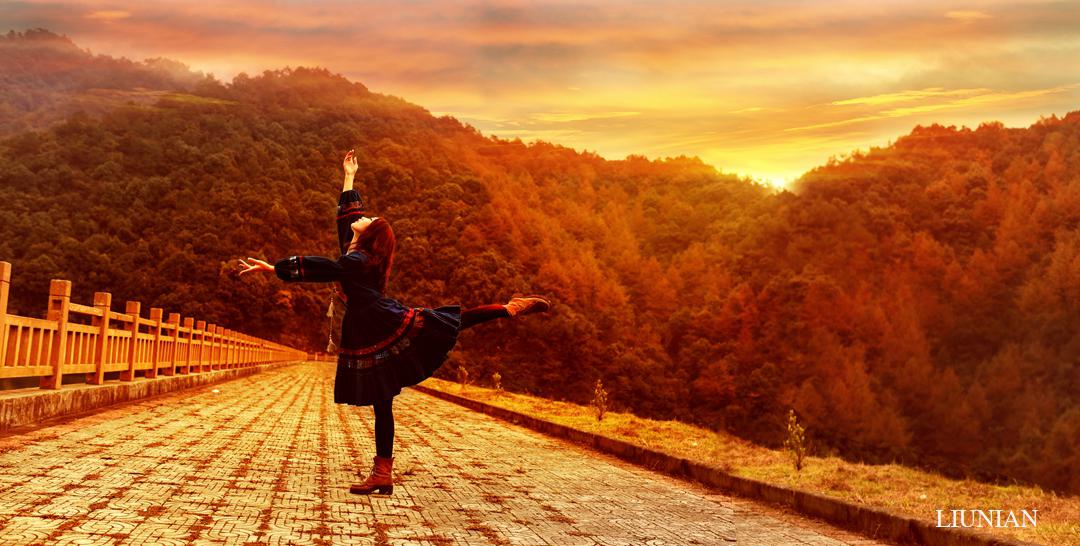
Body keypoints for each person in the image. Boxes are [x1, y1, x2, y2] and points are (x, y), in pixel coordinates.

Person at [238, 150, 551, 495]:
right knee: (384, 397)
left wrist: (275, 268)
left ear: (368, 235)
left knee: (445, 325)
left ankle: (507, 308)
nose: (363, 216)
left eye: (368, 219)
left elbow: (327, 266)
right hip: (370, 322)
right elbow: (347, 221)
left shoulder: (358, 260)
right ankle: (383, 472)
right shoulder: (357, 251)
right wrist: (349, 177)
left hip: (376, 321)